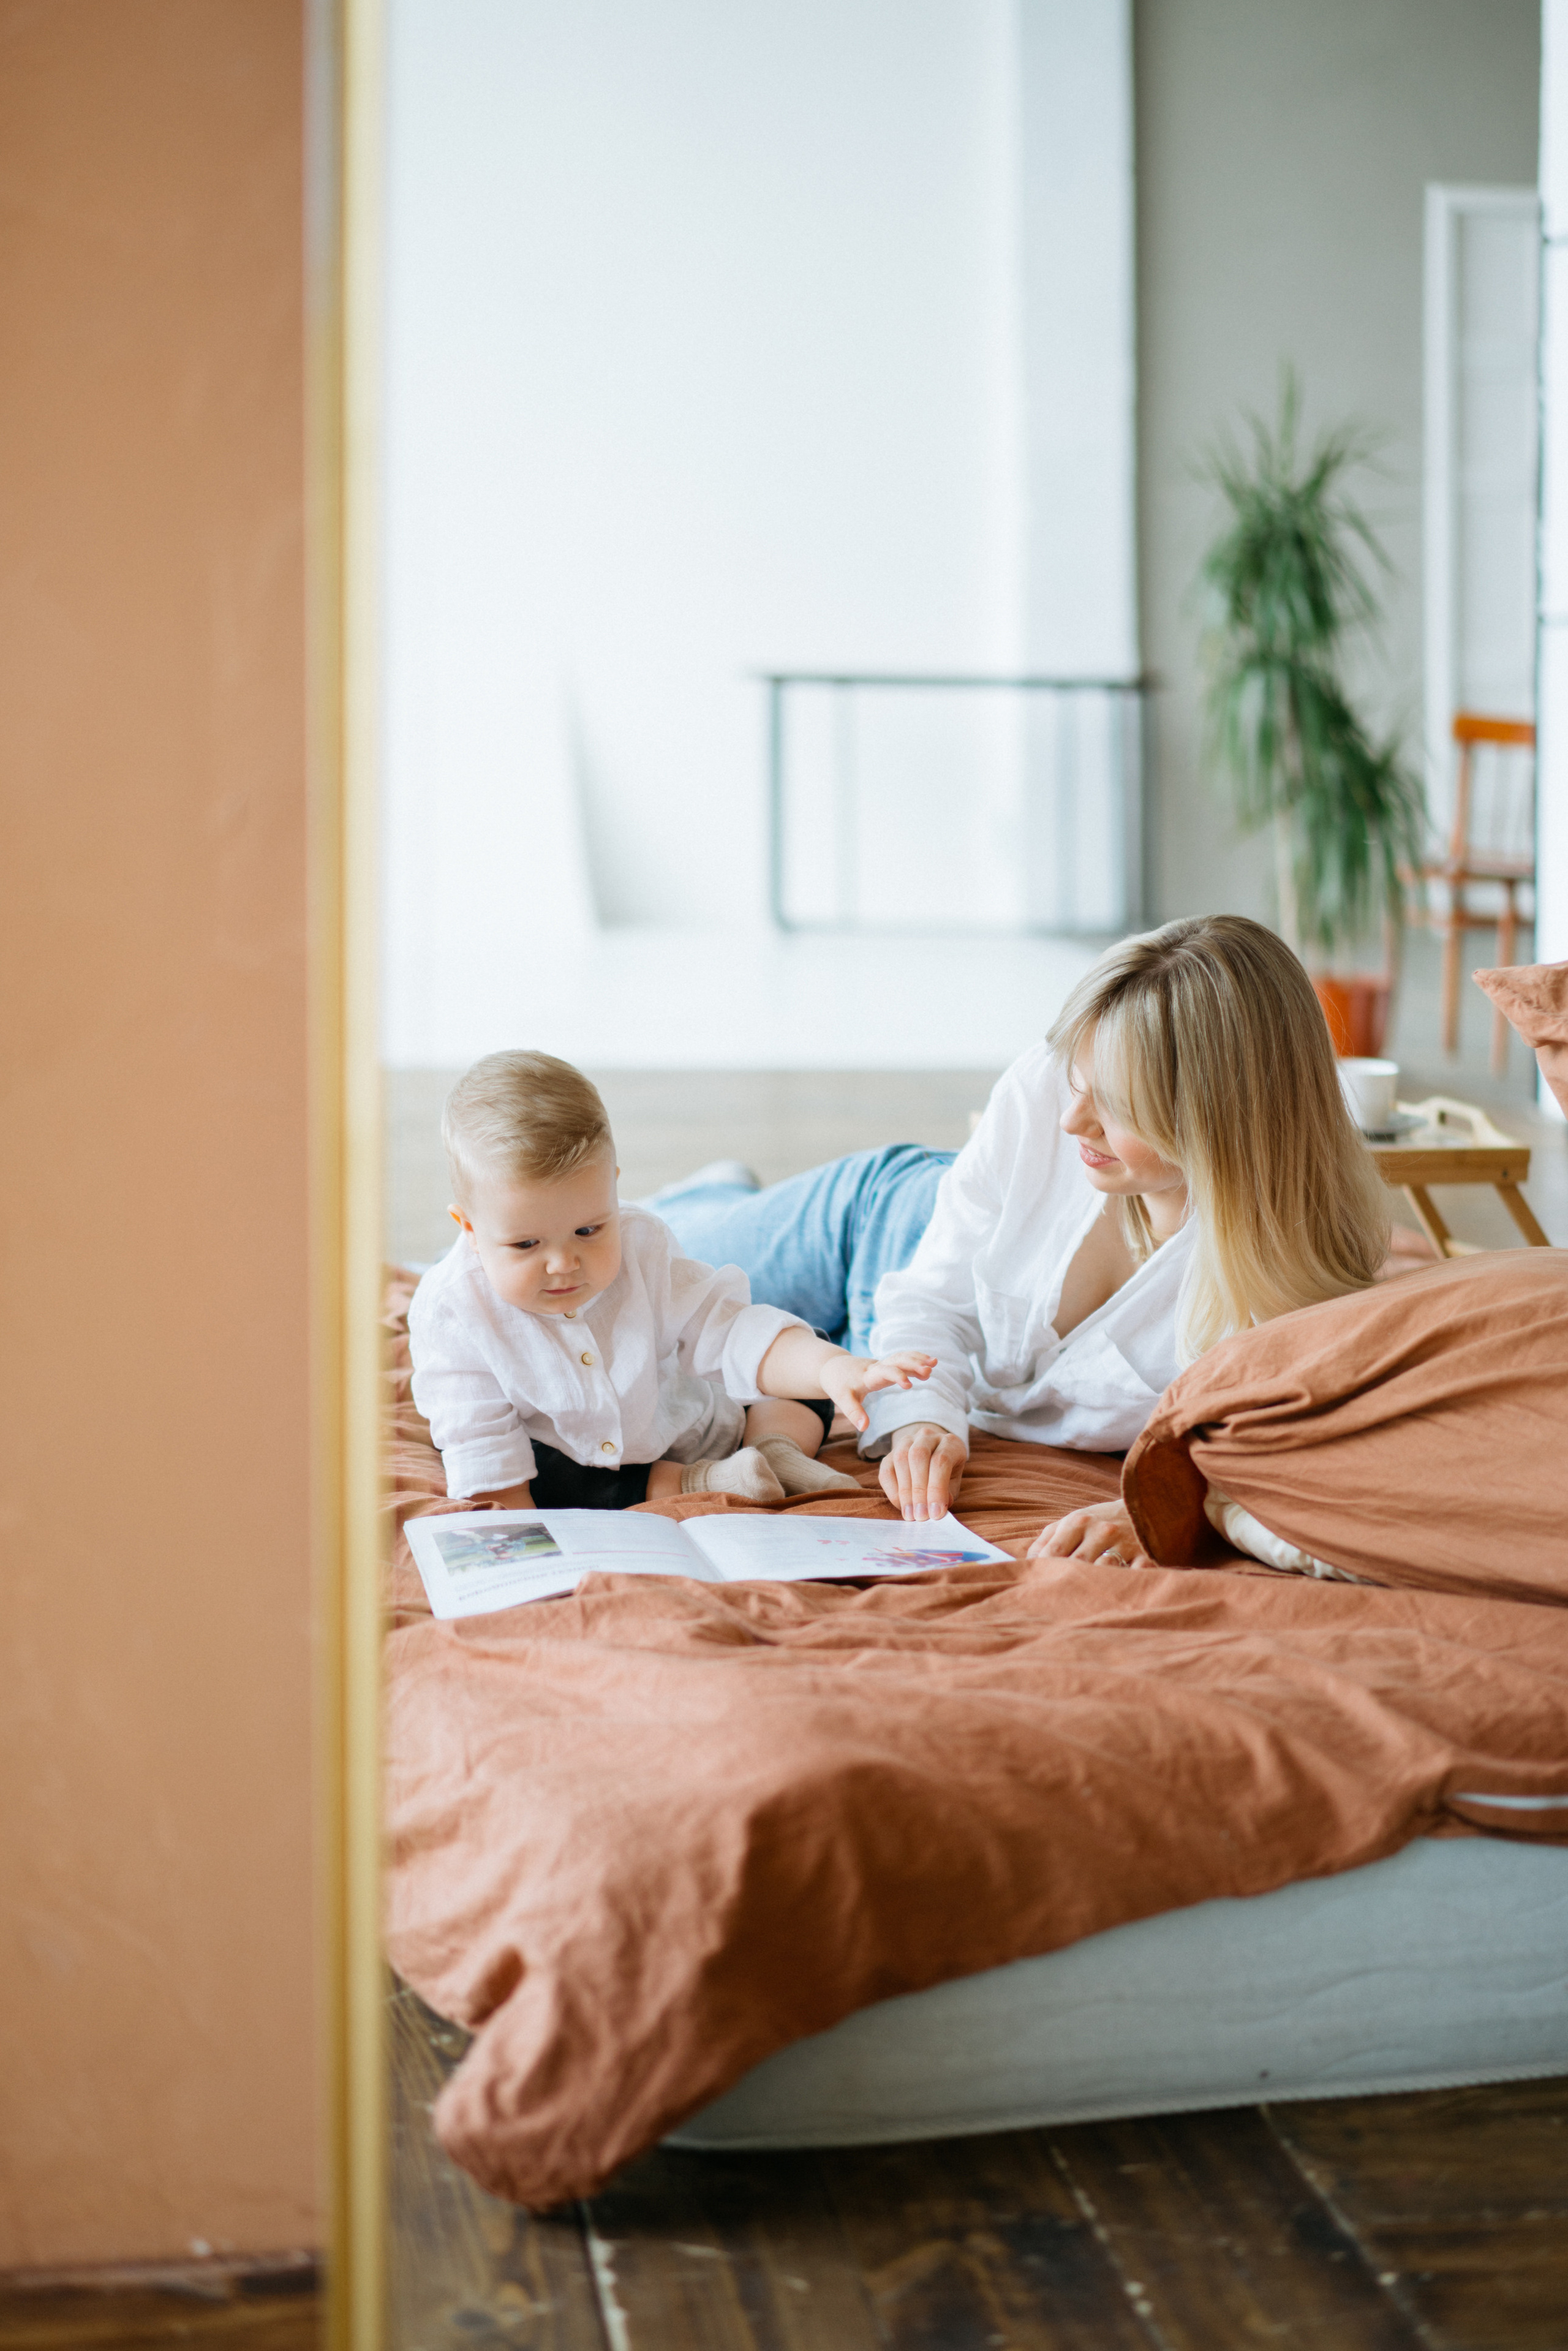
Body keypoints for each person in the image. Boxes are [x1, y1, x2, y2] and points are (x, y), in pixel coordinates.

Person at [652, 916, 1392, 1563]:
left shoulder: (1286, 1285)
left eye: (1118, 1107)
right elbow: (928, 1293)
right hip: (875, 1228)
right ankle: (712, 1191)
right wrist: (923, 1419)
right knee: (621, 1269)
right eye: (1075, 1079)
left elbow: (1284, 1460)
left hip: (868, 1349)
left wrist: (1172, 1511)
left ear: (1221, 1121)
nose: (1070, 1121)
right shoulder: (1047, 1094)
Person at [408, 1051, 935, 1513]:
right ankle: (697, 1483)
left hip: (697, 1427)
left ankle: (776, 1452)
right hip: (576, 1463)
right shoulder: (452, 1311)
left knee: (801, 1350)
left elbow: (728, 1331)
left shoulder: (644, 1244)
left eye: (589, 1230)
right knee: (515, 1468)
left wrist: (836, 1369)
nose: (563, 1263)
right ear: (470, 1229)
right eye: (526, 1246)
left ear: (613, 1192)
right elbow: (484, 1455)